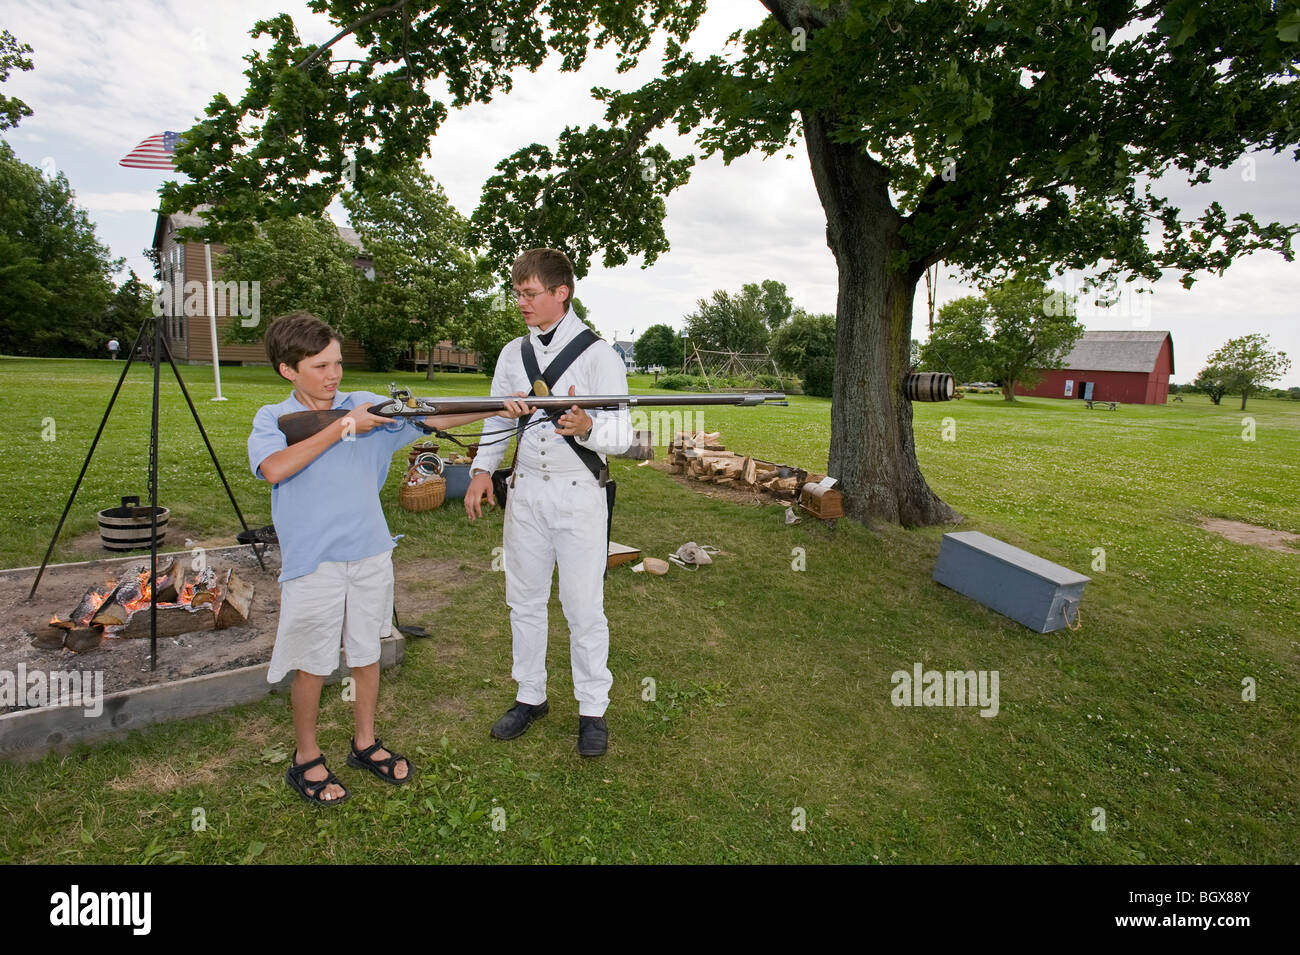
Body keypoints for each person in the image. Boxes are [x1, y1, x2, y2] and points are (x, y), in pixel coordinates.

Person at [248, 311, 527, 804]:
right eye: (319, 366)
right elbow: (273, 469)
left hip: (371, 553)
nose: (333, 375)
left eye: (336, 362)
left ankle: (364, 742)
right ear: (288, 371)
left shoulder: (365, 406)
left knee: (367, 653)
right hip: (314, 563)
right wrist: (341, 428)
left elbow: (434, 415)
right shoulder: (274, 418)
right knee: (312, 663)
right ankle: (305, 757)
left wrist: (498, 409)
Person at [465, 249, 631, 757]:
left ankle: (592, 709)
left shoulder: (600, 355)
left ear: (562, 293)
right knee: (525, 601)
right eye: (517, 292)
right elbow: (496, 419)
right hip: (526, 494)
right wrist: (479, 473)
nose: (521, 302)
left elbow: (623, 435)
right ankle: (530, 695)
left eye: (530, 293)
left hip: (579, 495)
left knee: (583, 608)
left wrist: (588, 427)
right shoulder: (511, 354)